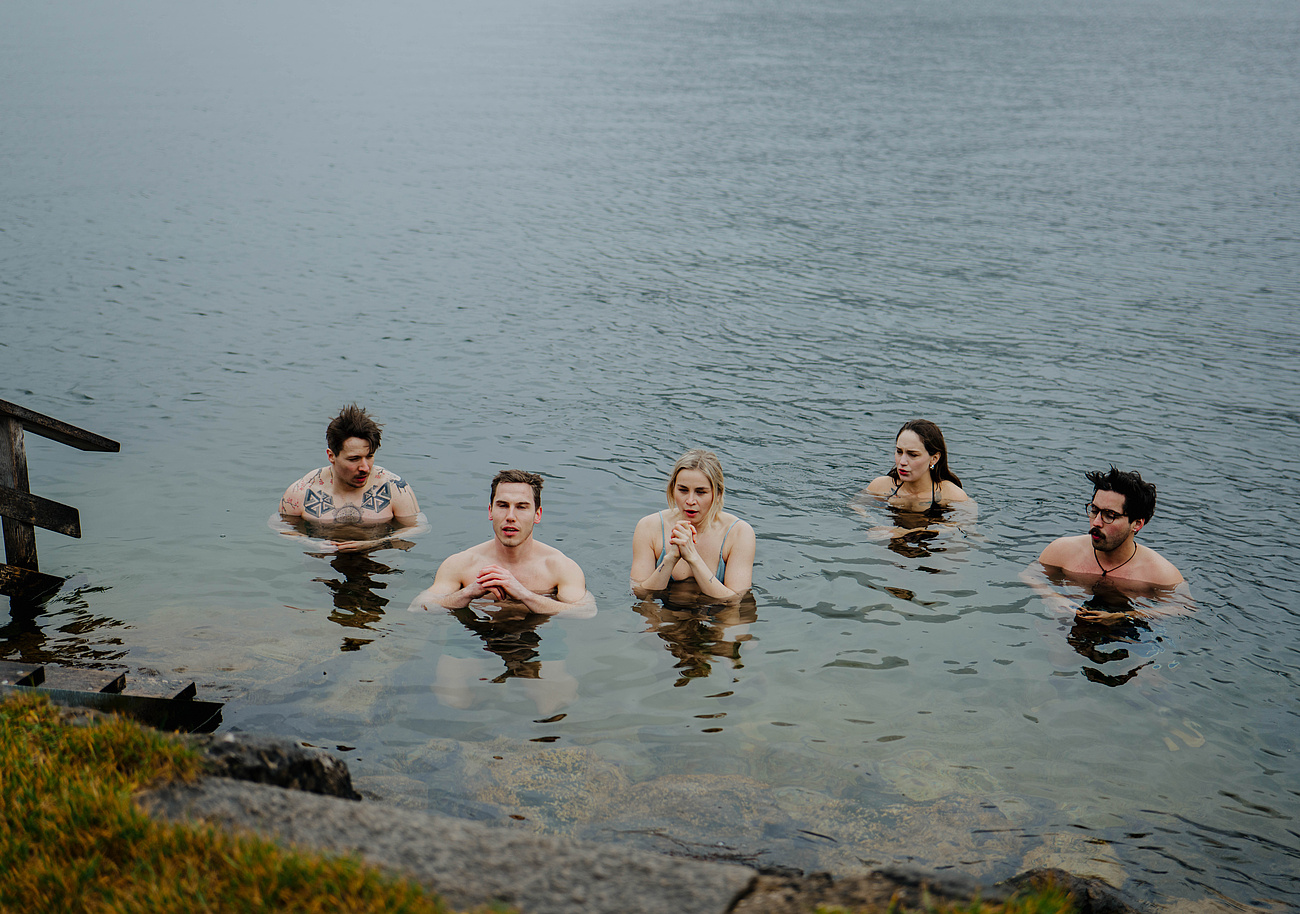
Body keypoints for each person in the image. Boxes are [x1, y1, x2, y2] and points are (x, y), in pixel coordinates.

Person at [408, 470, 592, 616]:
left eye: (521, 507)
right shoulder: (462, 563)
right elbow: (418, 607)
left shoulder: (559, 566)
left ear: (537, 514)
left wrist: (523, 593)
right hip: (477, 634)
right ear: (490, 511)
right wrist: (469, 592)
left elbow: (585, 611)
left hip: (538, 634)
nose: (510, 517)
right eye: (503, 505)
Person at [278, 404, 421, 551]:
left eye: (369, 456)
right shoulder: (303, 491)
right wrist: (313, 544)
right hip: (325, 560)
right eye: (354, 459)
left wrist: (373, 544)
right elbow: (279, 526)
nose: (365, 468)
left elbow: (418, 529)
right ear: (331, 456)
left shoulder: (393, 488)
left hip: (377, 558)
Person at [631, 449, 756, 601]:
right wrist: (670, 558)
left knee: (733, 620)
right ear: (672, 489)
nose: (690, 500)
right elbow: (640, 593)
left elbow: (734, 600)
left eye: (700, 492)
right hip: (668, 610)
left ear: (717, 495)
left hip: (716, 614)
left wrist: (692, 557)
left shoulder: (739, 533)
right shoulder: (649, 527)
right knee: (648, 613)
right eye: (683, 490)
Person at [1034, 467, 1184, 589]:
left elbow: (1182, 610)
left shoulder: (1162, 576)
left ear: (1137, 524)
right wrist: (1054, 600)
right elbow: (1030, 577)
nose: (1096, 522)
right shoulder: (1061, 551)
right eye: (1094, 510)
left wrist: (1126, 616)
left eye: (1110, 515)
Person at [863, 419, 971, 511]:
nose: (902, 462)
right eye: (899, 452)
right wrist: (873, 524)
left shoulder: (953, 496)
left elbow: (963, 528)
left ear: (934, 459)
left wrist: (900, 532)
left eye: (913, 455)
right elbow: (855, 508)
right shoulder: (879, 487)